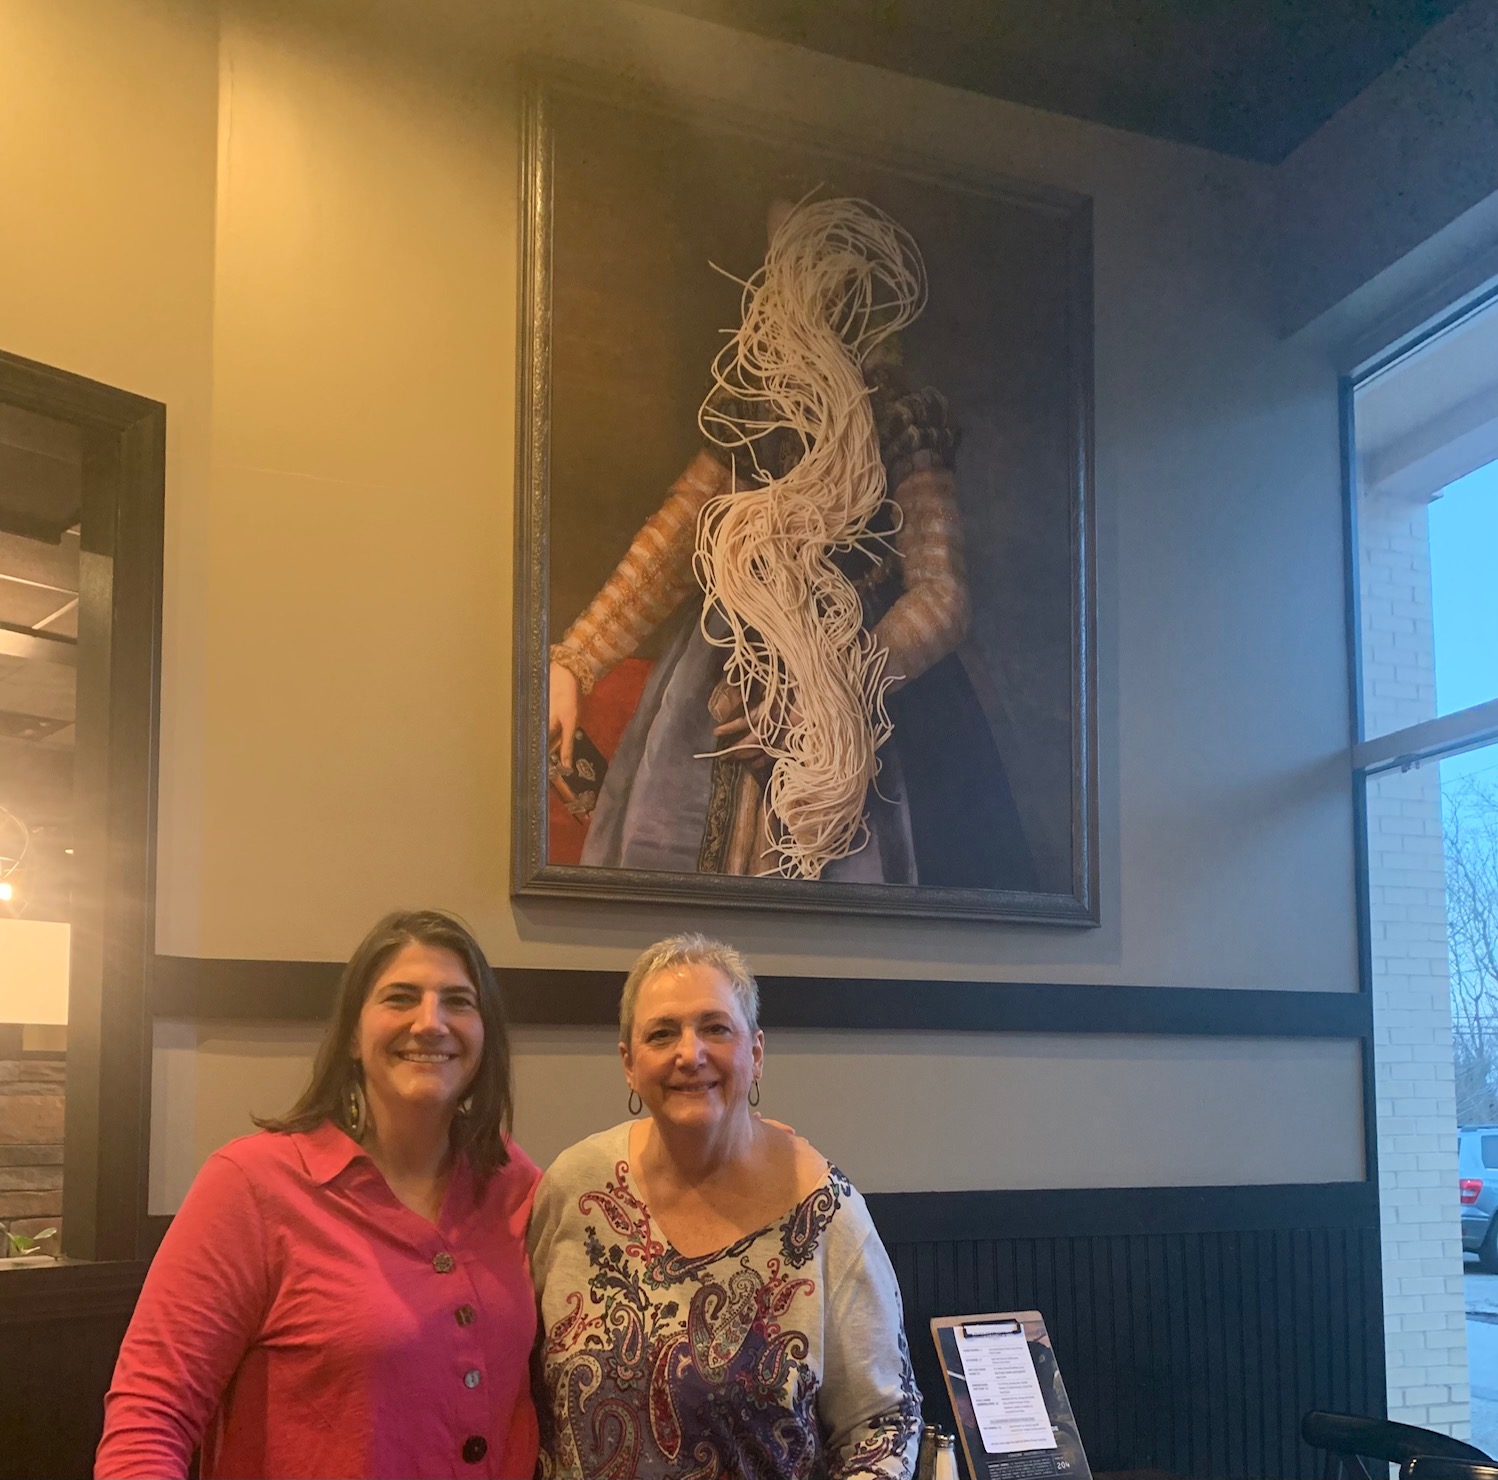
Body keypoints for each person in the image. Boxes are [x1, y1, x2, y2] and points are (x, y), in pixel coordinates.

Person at [549, 196, 1035, 891]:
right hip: (724, 672)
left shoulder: (900, 419)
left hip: (865, 680)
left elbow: (943, 595)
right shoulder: (754, 413)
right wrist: (576, 661)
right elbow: (674, 548)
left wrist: (829, 696)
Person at [95, 910, 541, 1480]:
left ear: (485, 1035)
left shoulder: (514, 1183)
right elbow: (148, 1420)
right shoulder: (252, 1185)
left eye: (458, 1001)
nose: (431, 1023)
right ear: (352, 1035)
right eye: (400, 998)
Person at [529, 933, 921, 1479]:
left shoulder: (827, 1216)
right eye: (662, 1033)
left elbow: (884, 1427)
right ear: (629, 1064)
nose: (690, 1054)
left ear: (756, 1054)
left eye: (716, 1028)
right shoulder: (573, 1187)